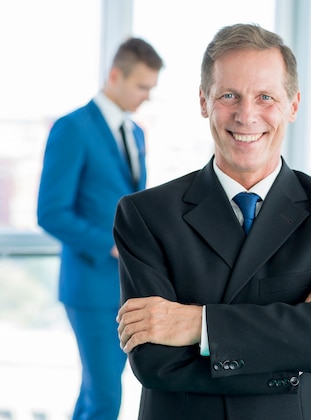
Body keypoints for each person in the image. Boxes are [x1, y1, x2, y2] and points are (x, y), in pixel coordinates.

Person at [114, 23, 311, 420]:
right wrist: (301, 335)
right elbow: (155, 362)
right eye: (229, 95)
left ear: (293, 104)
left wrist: (199, 324)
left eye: (266, 97)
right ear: (204, 101)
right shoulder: (146, 215)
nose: (246, 115)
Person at [37, 37, 163, 419]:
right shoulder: (73, 128)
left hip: (126, 289)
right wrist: (108, 245)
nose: (147, 97)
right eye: (142, 87)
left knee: (95, 394)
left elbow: (131, 205)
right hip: (90, 287)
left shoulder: (136, 133)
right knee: (106, 398)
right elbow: (51, 212)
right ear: (115, 75)